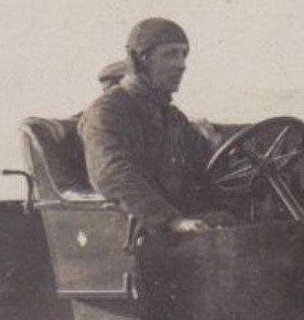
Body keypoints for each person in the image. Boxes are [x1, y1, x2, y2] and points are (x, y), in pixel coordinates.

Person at [80, 17, 226, 237]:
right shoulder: (108, 111)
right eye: (170, 54)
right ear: (141, 61)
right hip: (146, 227)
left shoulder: (171, 116)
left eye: (183, 54)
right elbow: (112, 173)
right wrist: (172, 220)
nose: (181, 64)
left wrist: (214, 147)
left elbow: (201, 167)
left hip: (174, 221)